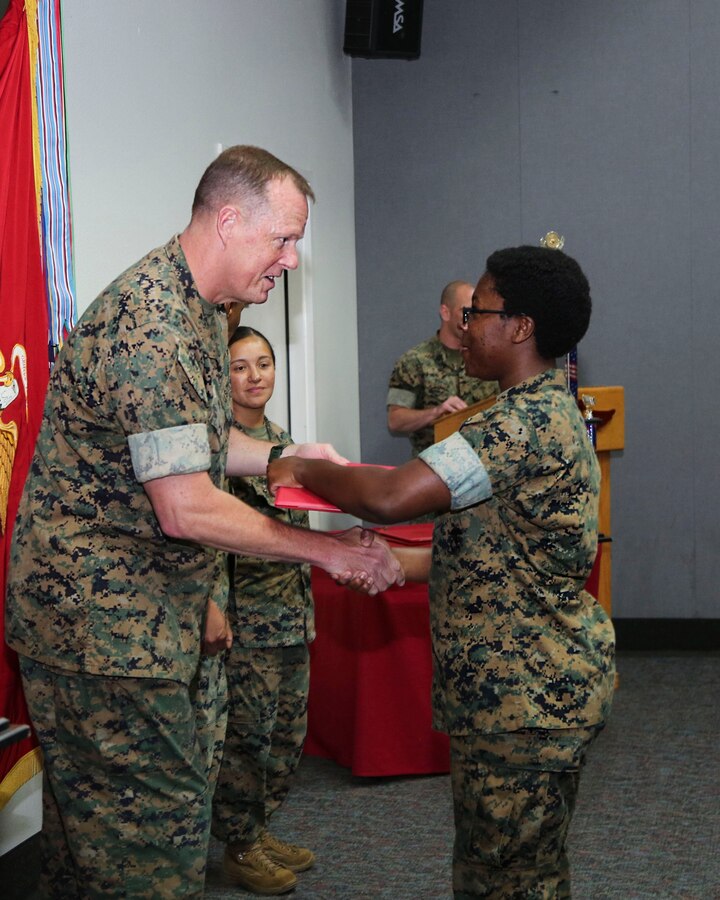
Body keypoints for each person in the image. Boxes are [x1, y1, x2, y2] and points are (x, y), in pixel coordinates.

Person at [5, 145, 402, 898]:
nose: (290, 259)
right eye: (282, 238)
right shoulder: (153, 324)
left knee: (92, 849)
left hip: (141, 621)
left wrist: (286, 458)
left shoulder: (201, 310)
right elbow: (185, 504)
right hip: (101, 633)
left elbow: (198, 442)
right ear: (228, 219)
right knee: (153, 853)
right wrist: (325, 555)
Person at [268, 245, 616, 898]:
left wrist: (300, 466)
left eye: (477, 311)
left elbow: (390, 496)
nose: (463, 326)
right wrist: (396, 564)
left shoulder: (519, 423)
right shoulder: (541, 409)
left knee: (505, 879)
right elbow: (507, 553)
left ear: (520, 326)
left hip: (523, 697)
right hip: (533, 689)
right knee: (518, 870)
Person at [212, 326, 315, 895]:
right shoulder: (216, 452)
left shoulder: (282, 442)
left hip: (292, 618)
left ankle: (259, 828)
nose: (255, 376)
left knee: (285, 736)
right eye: (239, 366)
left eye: (265, 364)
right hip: (245, 622)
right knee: (245, 742)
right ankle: (239, 844)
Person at [387, 280, 498, 457]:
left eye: (476, 313)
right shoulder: (415, 360)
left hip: (482, 466)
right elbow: (395, 420)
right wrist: (437, 412)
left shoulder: (489, 359)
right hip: (431, 467)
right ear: (445, 313)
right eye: (465, 312)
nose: (470, 320)